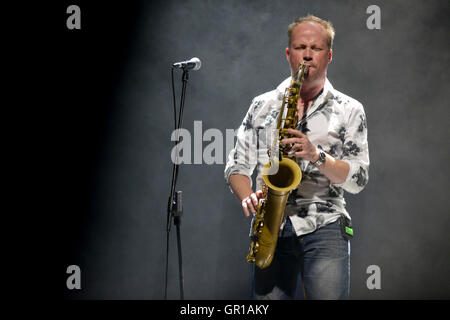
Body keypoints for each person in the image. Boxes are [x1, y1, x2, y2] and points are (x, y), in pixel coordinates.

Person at [224, 15, 369, 300]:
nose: (307, 54)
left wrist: (317, 156)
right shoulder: (262, 104)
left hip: (325, 224)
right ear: (288, 54)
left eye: (315, 48)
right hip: (271, 225)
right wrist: (246, 195)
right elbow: (237, 165)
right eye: (300, 47)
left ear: (329, 56)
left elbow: (358, 179)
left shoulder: (350, 109)